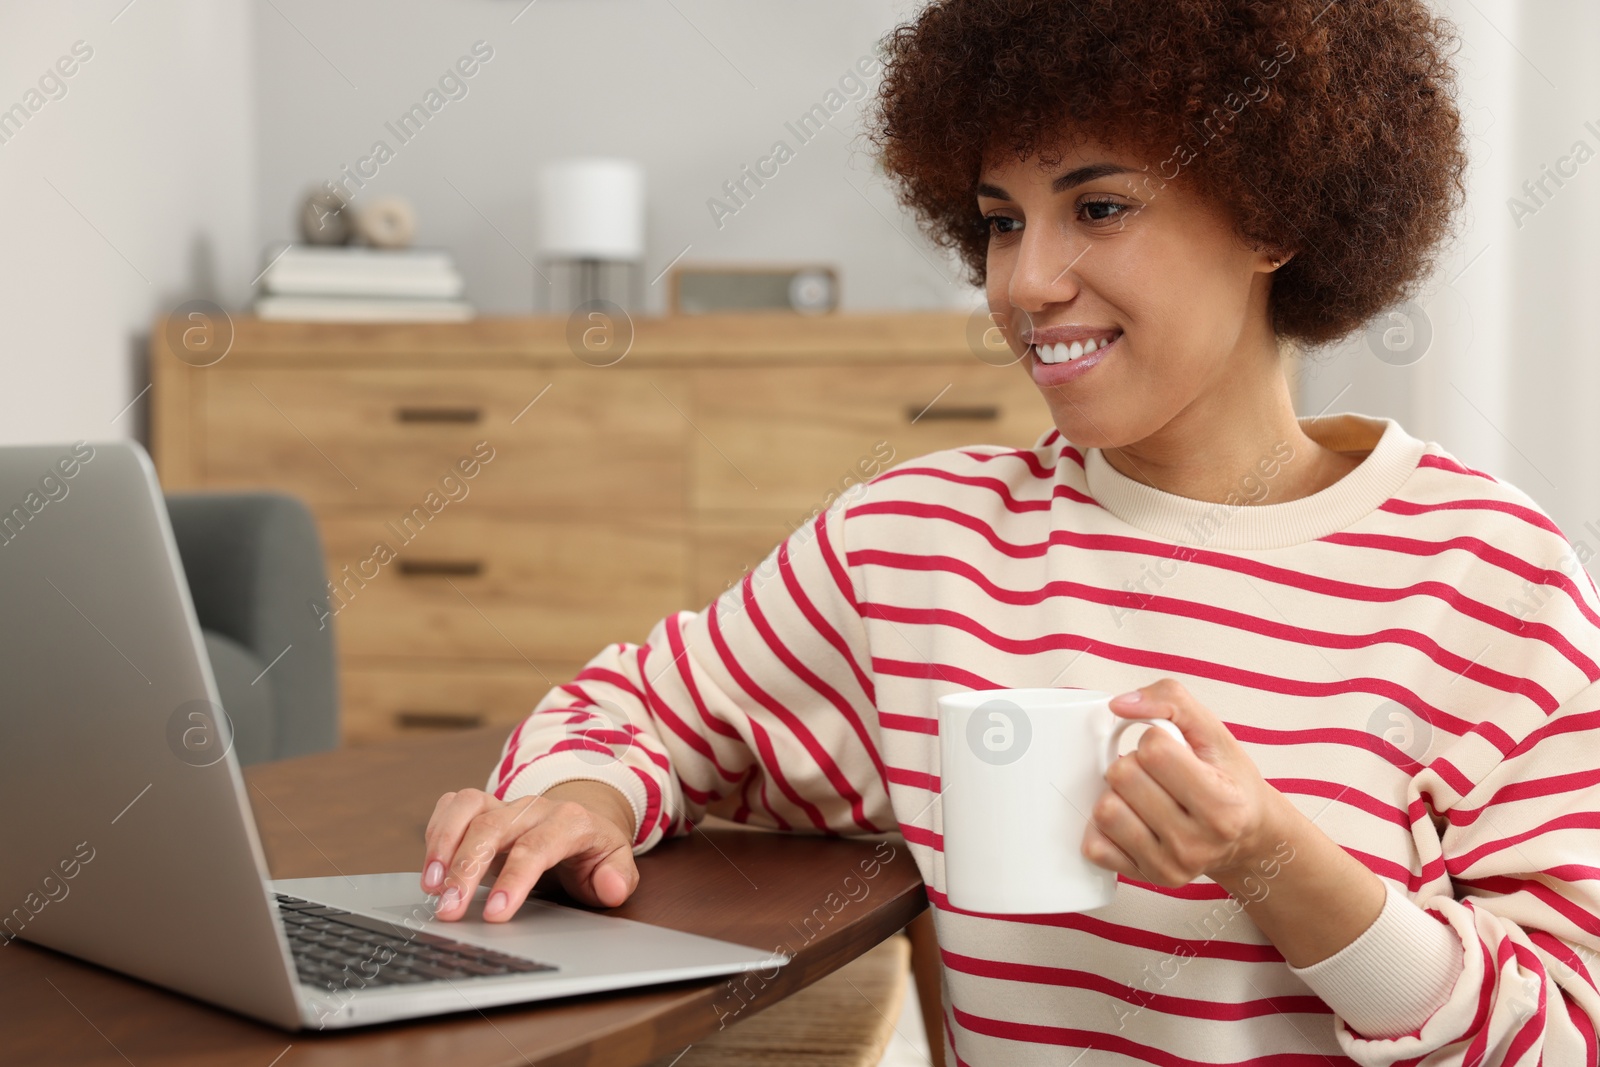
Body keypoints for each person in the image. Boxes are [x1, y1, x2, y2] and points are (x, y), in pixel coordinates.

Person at [419, 1, 1600, 1062]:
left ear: (1272, 215)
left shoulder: (1491, 576)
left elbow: (1565, 1030)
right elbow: (637, 706)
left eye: (1098, 206)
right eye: (998, 221)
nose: (1025, 283)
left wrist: (1275, 859)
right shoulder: (920, 545)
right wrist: (583, 798)